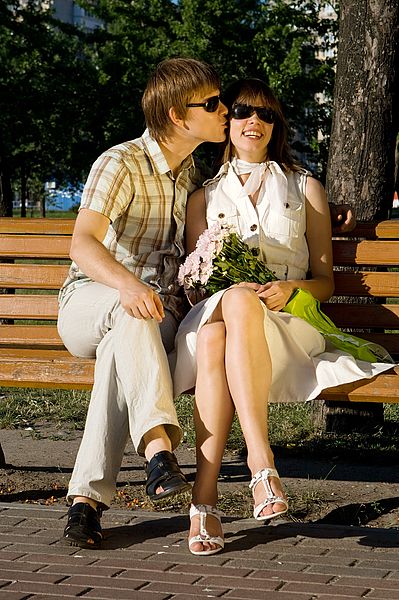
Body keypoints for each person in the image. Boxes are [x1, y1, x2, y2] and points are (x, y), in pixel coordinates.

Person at [172, 78, 394, 556]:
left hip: (287, 326)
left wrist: (291, 287)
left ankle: (205, 501)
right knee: (226, 313)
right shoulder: (201, 199)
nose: (255, 121)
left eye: (266, 114)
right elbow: (196, 282)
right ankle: (261, 466)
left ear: (276, 126)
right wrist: (231, 286)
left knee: (229, 321)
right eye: (244, 112)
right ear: (227, 123)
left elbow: (325, 282)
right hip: (217, 319)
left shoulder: (305, 187)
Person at [57, 57, 228, 549]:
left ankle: (85, 504)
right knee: (129, 311)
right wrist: (128, 286)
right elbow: (83, 243)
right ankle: (157, 446)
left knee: (124, 343)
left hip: (151, 322)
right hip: (90, 303)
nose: (223, 112)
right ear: (178, 115)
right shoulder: (121, 162)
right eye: (212, 104)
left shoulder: (192, 173)